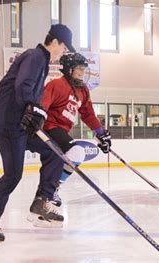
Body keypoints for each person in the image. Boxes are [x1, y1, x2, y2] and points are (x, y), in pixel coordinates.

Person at [0, 24, 75, 246]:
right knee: (13, 175)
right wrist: (32, 107)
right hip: (8, 122)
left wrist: (35, 112)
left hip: (19, 123)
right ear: (55, 42)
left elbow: (28, 93)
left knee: (53, 152)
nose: (64, 52)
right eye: (64, 47)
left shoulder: (41, 62)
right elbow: (23, 87)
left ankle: (42, 201)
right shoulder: (35, 56)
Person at [35, 52, 111, 207]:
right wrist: (37, 121)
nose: (83, 72)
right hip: (50, 127)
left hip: (62, 131)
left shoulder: (83, 91)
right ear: (69, 69)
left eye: (84, 69)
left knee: (74, 154)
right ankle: (52, 188)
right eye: (79, 68)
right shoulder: (56, 85)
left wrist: (101, 134)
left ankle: (49, 189)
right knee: (77, 151)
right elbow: (43, 105)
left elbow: (88, 114)